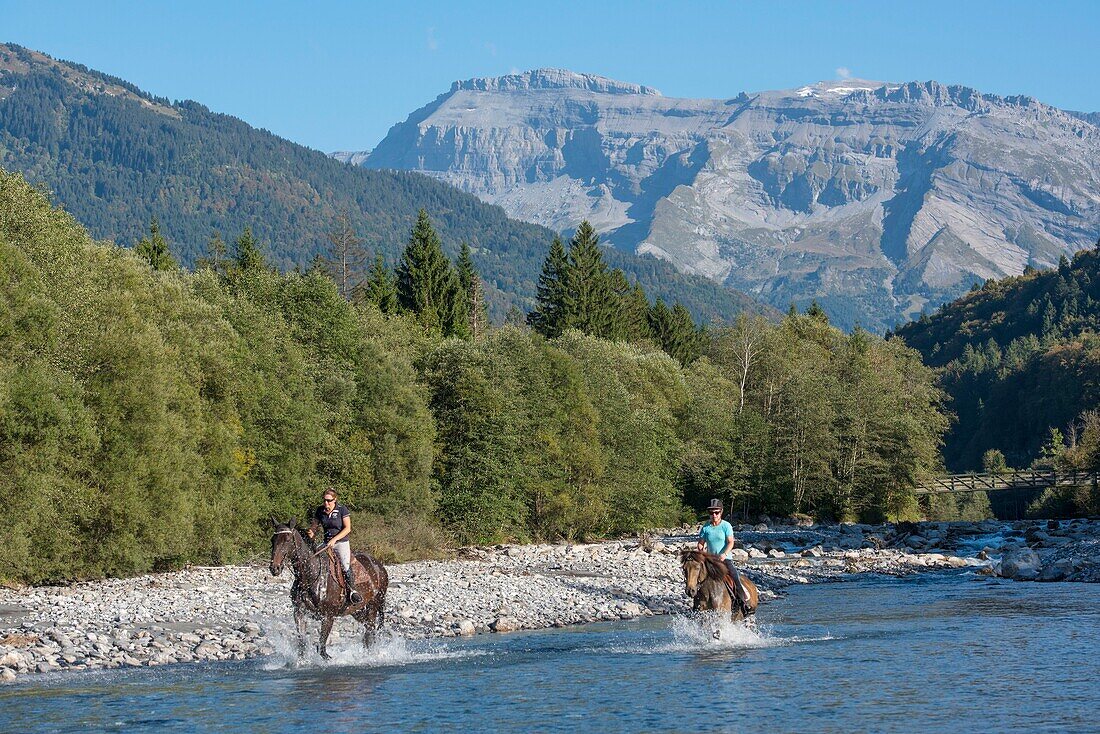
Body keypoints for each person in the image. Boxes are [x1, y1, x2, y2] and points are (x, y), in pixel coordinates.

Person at [308, 489, 363, 604]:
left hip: (341, 542)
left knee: (345, 564)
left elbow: (347, 528)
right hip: (326, 542)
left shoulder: (342, 510)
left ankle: (352, 591)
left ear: (335, 500)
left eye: (329, 501)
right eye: (324, 500)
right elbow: (314, 526)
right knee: (312, 559)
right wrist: (311, 532)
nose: (326, 503)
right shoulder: (320, 510)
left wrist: (335, 539)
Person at [697, 498, 748, 613]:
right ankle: (697, 603)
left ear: (721, 512)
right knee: (697, 577)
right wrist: (701, 549)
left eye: (716, 512)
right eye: (711, 512)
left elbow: (731, 542)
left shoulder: (726, 526)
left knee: (735, 577)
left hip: (725, 559)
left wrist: (724, 554)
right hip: (710, 560)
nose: (714, 515)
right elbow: (701, 543)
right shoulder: (706, 527)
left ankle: (743, 603)